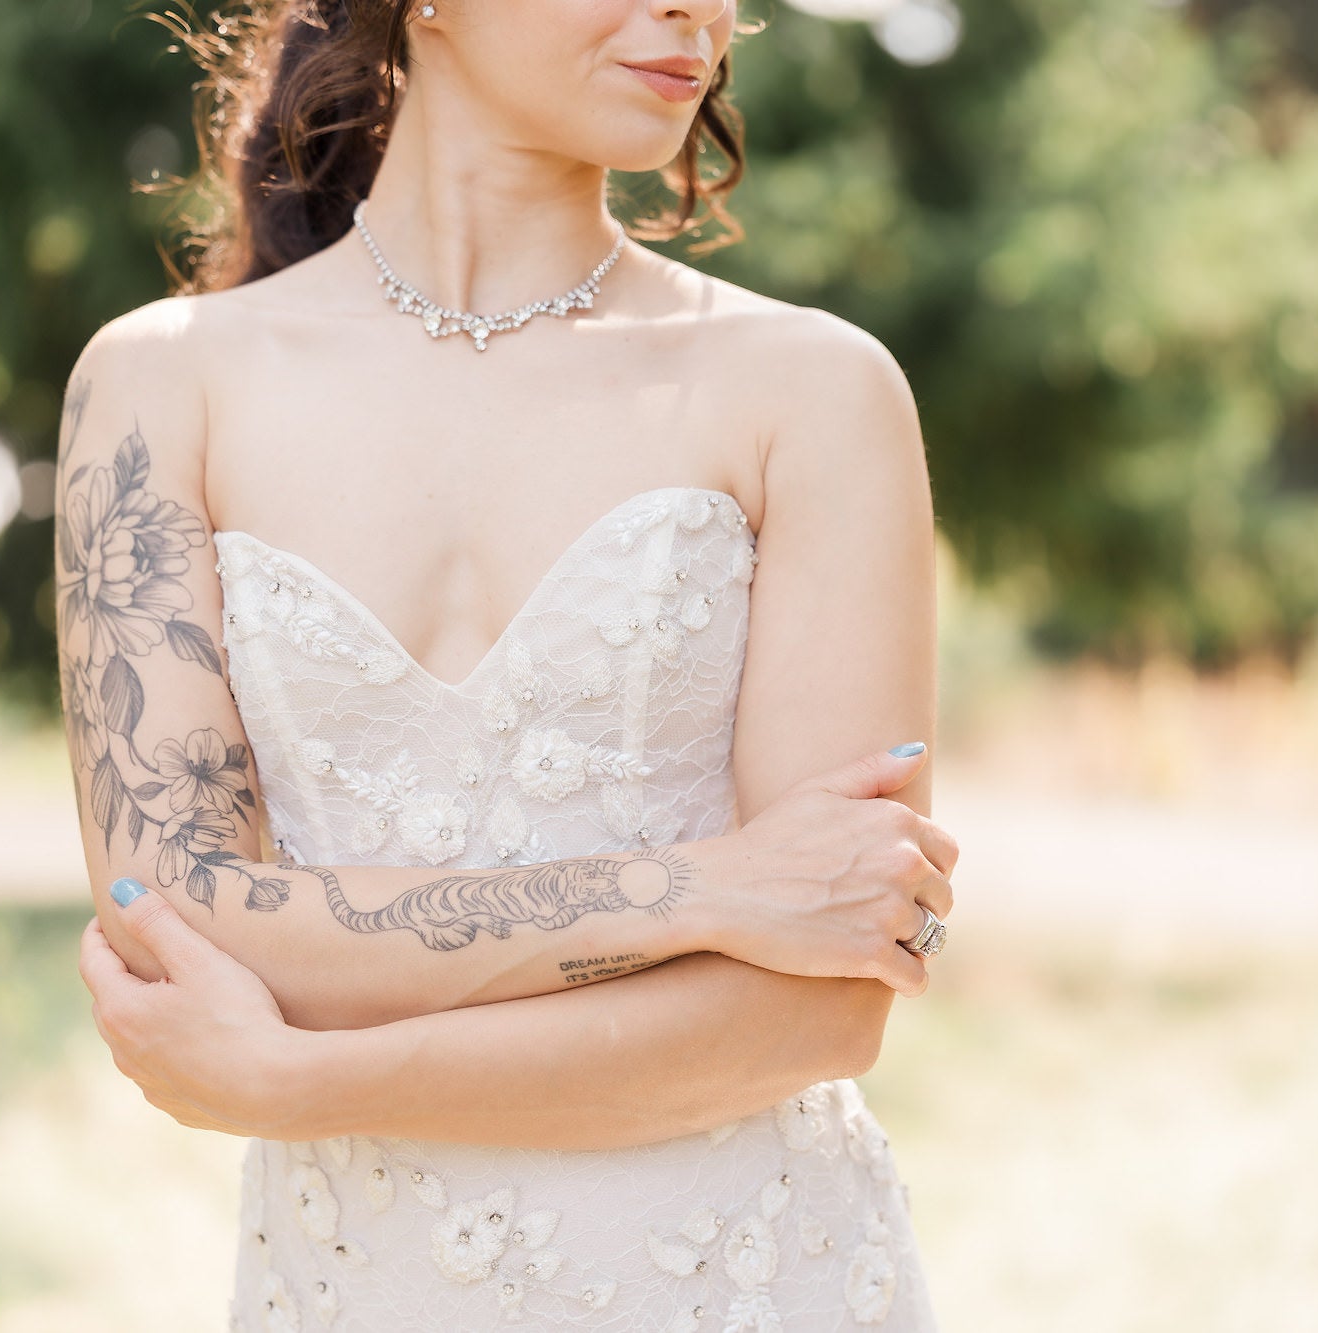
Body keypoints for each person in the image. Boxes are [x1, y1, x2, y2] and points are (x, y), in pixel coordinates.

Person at [56, 0, 957, 1327]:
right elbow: (179, 915)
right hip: (354, 1281)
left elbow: (816, 1012)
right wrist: (701, 892)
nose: (699, 15)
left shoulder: (816, 393)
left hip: (750, 1276)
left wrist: (306, 1081)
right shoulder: (160, 388)